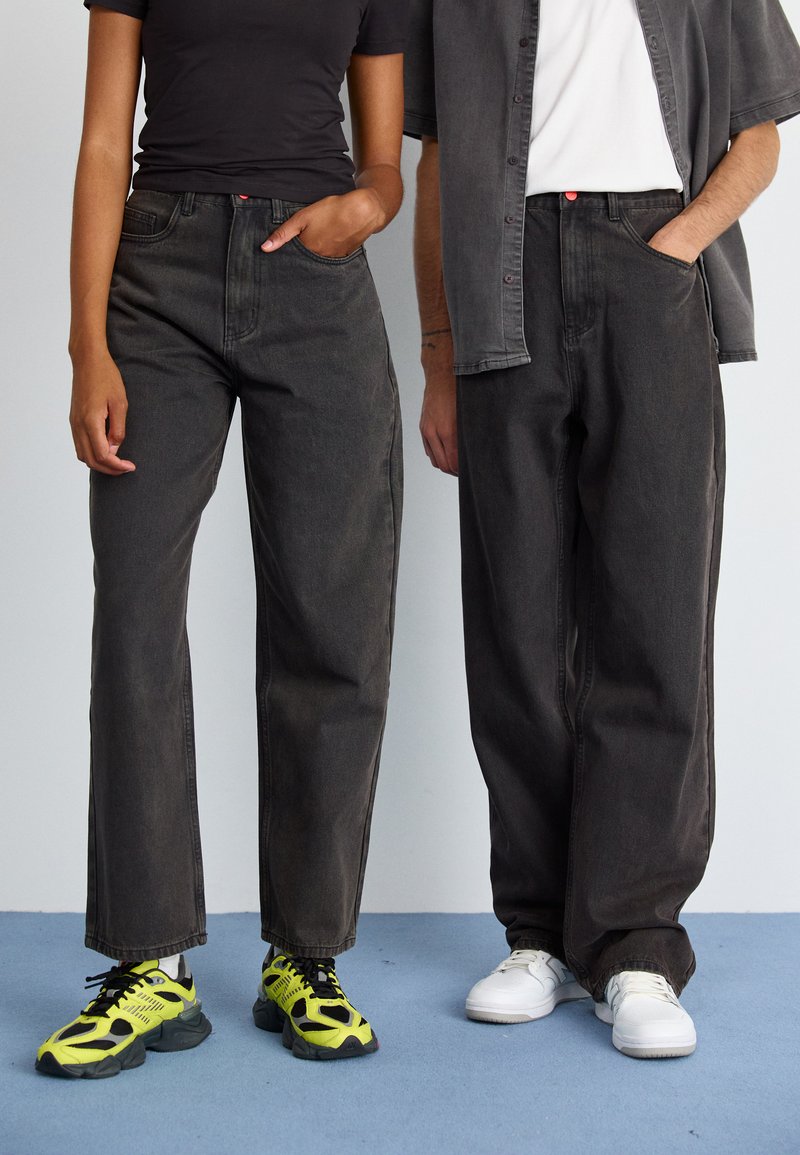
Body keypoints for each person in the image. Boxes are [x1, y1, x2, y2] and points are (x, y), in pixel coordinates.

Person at [405, 0, 800, 1058]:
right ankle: (536, 934)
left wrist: (674, 247)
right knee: (516, 627)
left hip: (650, 265)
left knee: (653, 617)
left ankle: (633, 946)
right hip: (502, 278)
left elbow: (758, 134)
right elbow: (437, 158)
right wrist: (438, 352)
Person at [36, 0, 405, 1078]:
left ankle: (306, 954)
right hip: (160, 278)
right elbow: (103, 141)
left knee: (332, 622)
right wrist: (87, 346)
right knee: (136, 615)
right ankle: (148, 964)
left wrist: (364, 208)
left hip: (316, 279)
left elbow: (384, 165)